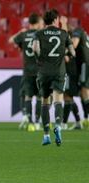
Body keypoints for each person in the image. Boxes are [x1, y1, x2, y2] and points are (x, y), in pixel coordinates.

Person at [33, 9, 76, 146]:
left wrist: (40, 58)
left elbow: (35, 48)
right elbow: (73, 51)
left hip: (43, 71)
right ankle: (58, 124)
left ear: (44, 20)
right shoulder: (64, 33)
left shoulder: (38, 33)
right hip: (58, 71)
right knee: (58, 100)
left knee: (45, 102)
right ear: (56, 19)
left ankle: (46, 135)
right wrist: (66, 54)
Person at [9, 13, 44, 131]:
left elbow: (11, 41)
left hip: (28, 71)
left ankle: (30, 122)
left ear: (29, 23)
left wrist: (20, 32)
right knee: (40, 97)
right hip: (40, 70)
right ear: (38, 22)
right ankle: (38, 123)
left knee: (28, 97)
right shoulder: (41, 34)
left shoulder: (23, 35)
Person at [60, 18, 82, 130]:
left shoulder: (68, 44)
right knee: (69, 98)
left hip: (69, 72)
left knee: (67, 98)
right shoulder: (69, 43)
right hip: (69, 72)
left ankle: (64, 123)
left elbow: (67, 59)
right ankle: (78, 122)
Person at [70, 22, 89, 129]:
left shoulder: (77, 30)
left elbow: (74, 45)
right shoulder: (85, 35)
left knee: (85, 92)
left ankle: (86, 118)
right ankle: (86, 118)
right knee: (83, 94)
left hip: (85, 64)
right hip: (84, 64)